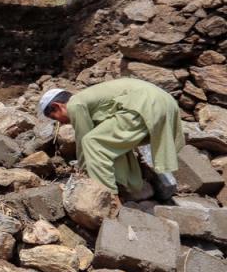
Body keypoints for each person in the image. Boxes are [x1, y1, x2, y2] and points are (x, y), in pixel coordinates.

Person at [38, 78, 184, 197]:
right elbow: (112, 145)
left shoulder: (75, 104)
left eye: (55, 118)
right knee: (109, 144)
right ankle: (131, 185)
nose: (60, 123)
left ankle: (108, 198)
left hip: (146, 103)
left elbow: (84, 140)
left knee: (92, 142)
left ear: (58, 106)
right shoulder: (90, 101)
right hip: (165, 103)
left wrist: (83, 171)